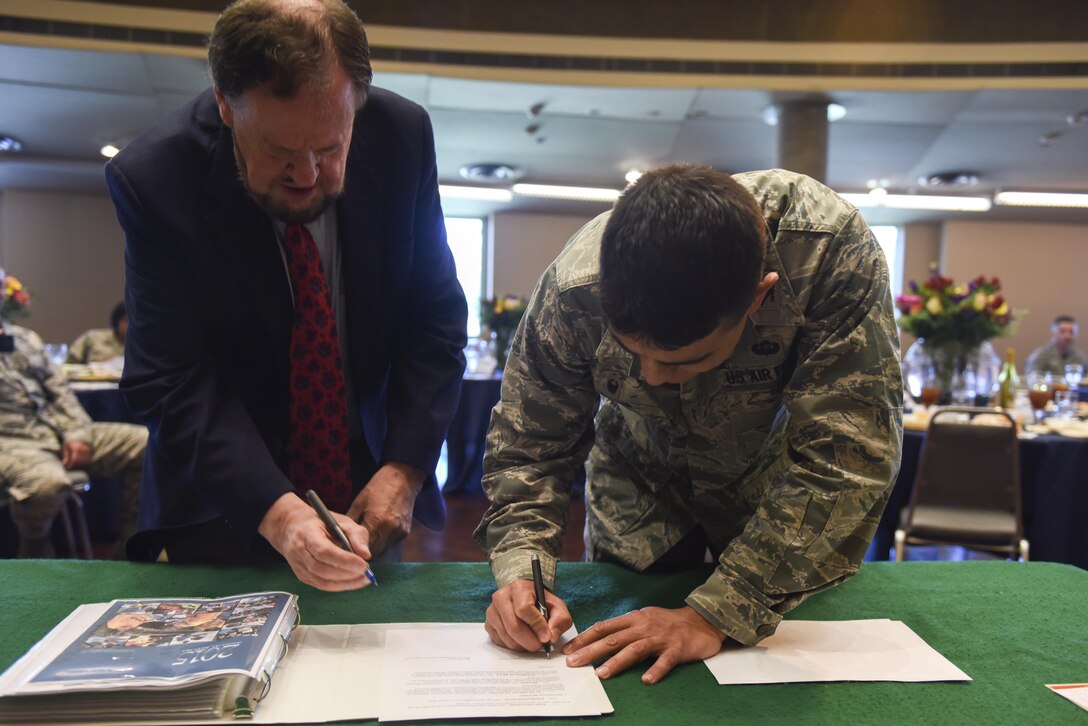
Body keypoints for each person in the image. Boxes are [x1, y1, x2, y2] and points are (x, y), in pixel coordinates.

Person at [475, 165, 903, 685]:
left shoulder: (828, 253)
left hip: (775, 499)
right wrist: (522, 570)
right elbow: (530, 446)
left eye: (681, 361)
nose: (654, 377)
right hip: (638, 484)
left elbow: (848, 453)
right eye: (635, 354)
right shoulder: (573, 290)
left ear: (758, 297)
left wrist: (717, 613)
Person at [104, 0, 466, 589]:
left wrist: (404, 467)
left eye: (329, 148)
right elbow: (168, 377)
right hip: (221, 500)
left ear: (357, 107)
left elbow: (436, 321)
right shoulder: (155, 178)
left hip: (362, 494)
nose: (306, 175)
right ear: (225, 105)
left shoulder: (403, 137)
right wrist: (276, 509)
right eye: (278, 152)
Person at [0, 317, 146, 558]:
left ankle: (131, 553)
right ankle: (34, 557)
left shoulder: (24, 338)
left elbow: (61, 392)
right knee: (47, 485)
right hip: (11, 441)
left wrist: (76, 434)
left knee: (147, 444)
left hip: (54, 430)